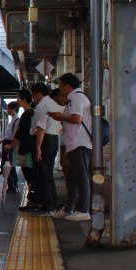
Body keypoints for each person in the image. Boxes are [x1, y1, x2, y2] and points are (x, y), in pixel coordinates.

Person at [50, 73, 92, 222]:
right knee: (73, 178)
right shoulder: (72, 99)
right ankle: (69, 209)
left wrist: (58, 117)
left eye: (60, 85)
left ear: (67, 86)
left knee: (81, 177)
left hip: (80, 143)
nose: (59, 88)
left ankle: (83, 210)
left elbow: (76, 119)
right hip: (74, 144)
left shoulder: (77, 97)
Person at [30, 82, 63, 215]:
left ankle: (49, 206)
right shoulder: (52, 103)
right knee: (47, 173)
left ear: (38, 93)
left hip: (45, 140)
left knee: (44, 173)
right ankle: (51, 203)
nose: (33, 98)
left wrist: (38, 148)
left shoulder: (42, 105)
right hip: (53, 139)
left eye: (33, 95)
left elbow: (41, 128)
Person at [14, 90, 39, 209]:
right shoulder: (30, 113)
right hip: (27, 148)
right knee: (30, 174)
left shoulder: (27, 114)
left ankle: (33, 201)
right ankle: (32, 200)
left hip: (26, 149)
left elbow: (22, 133)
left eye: (18, 98)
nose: (17, 101)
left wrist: (12, 145)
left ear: (24, 99)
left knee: (29, 175)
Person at [0, 101, 21, 194]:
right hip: (7, 144)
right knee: (9, 166)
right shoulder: (13, 120)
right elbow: (9, 134)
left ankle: (13, 187)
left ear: (13, 109)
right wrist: (1, 141)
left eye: (8, 108)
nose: (7, 110)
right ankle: (12, 186)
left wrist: (9, 145)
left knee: (8, 166)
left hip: (9, 145)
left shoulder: (17, 120)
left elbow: (14, 136)